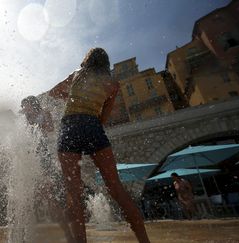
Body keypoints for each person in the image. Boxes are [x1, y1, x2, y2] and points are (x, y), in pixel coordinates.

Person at [48, 48, 150, 243]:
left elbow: (53, 93)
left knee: (74, 192)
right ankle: (144, 240)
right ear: (105, 63)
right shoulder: (112, 84)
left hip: (70, 127)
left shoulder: (77, 75)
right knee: (116, 188)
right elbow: (103, 117)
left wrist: (71, 98)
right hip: (93, 127)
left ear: (87, 60)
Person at [20, 96, 74, 243]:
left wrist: (34, 127)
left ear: (33, 104)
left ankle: (68, 233)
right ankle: (26, 237)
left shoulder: (44, 113)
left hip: (43, 158)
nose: (25, 109)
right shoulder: (23, 120)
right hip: (29, 160)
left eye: (26, 106)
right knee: (26, 199)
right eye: (23, 106)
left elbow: (50, 129)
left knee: (50, 198)